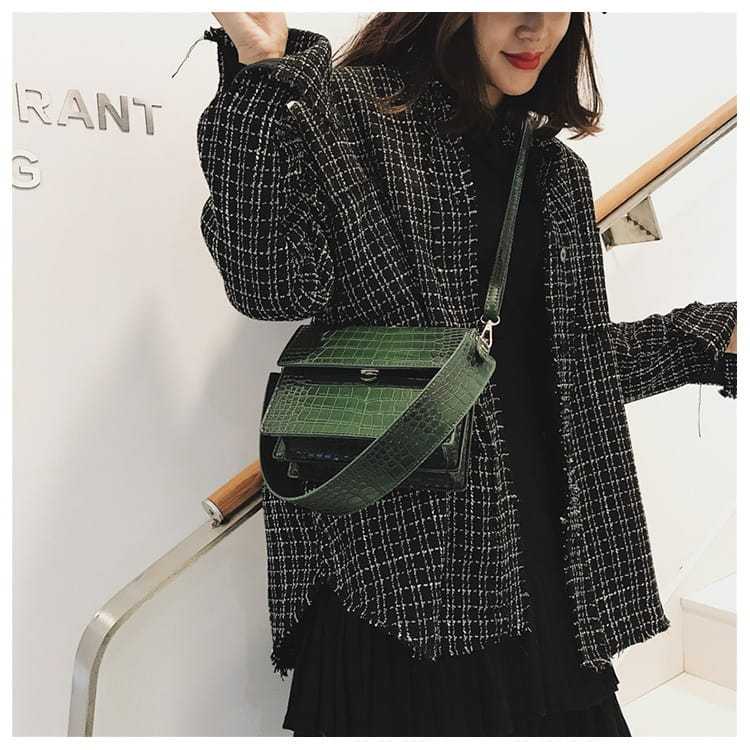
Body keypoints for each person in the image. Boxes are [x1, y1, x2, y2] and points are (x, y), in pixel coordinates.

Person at [194, 11, 737, 737]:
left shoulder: (554, 171)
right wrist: (265, 75)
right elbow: (268, 283)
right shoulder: (356, 113)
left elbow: (563, 367)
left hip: (549, 558)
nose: (536, 26)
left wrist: (708, 338)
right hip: (407, 567)